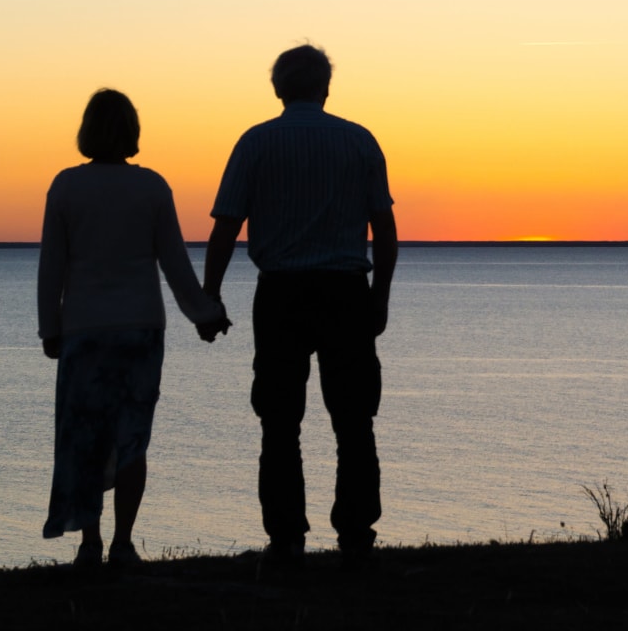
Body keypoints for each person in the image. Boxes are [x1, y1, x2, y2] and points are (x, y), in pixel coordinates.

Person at [201, 44, 397, 570]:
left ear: (278, 89)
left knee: (279, 420)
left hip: (282, 293)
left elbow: (226, 226)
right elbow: (386, 230)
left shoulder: (256, 142)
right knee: (355, 419)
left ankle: (287, 535)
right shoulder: (358, 141)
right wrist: (379, 299)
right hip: (345, 292)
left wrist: (210, 293)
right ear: (325, 88)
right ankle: (356, 532)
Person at [37, 88, 230, 568]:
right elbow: (175, 264)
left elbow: (51, 269)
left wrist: (50, 328)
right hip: (141, 331)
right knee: (132, 437)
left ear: (86, 131)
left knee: (86, 437)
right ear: (132, 132)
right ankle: (123, 543)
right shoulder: (152, 188)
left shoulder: (65, 187)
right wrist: (205, 315)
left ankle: (90, 544)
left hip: (84, 330)